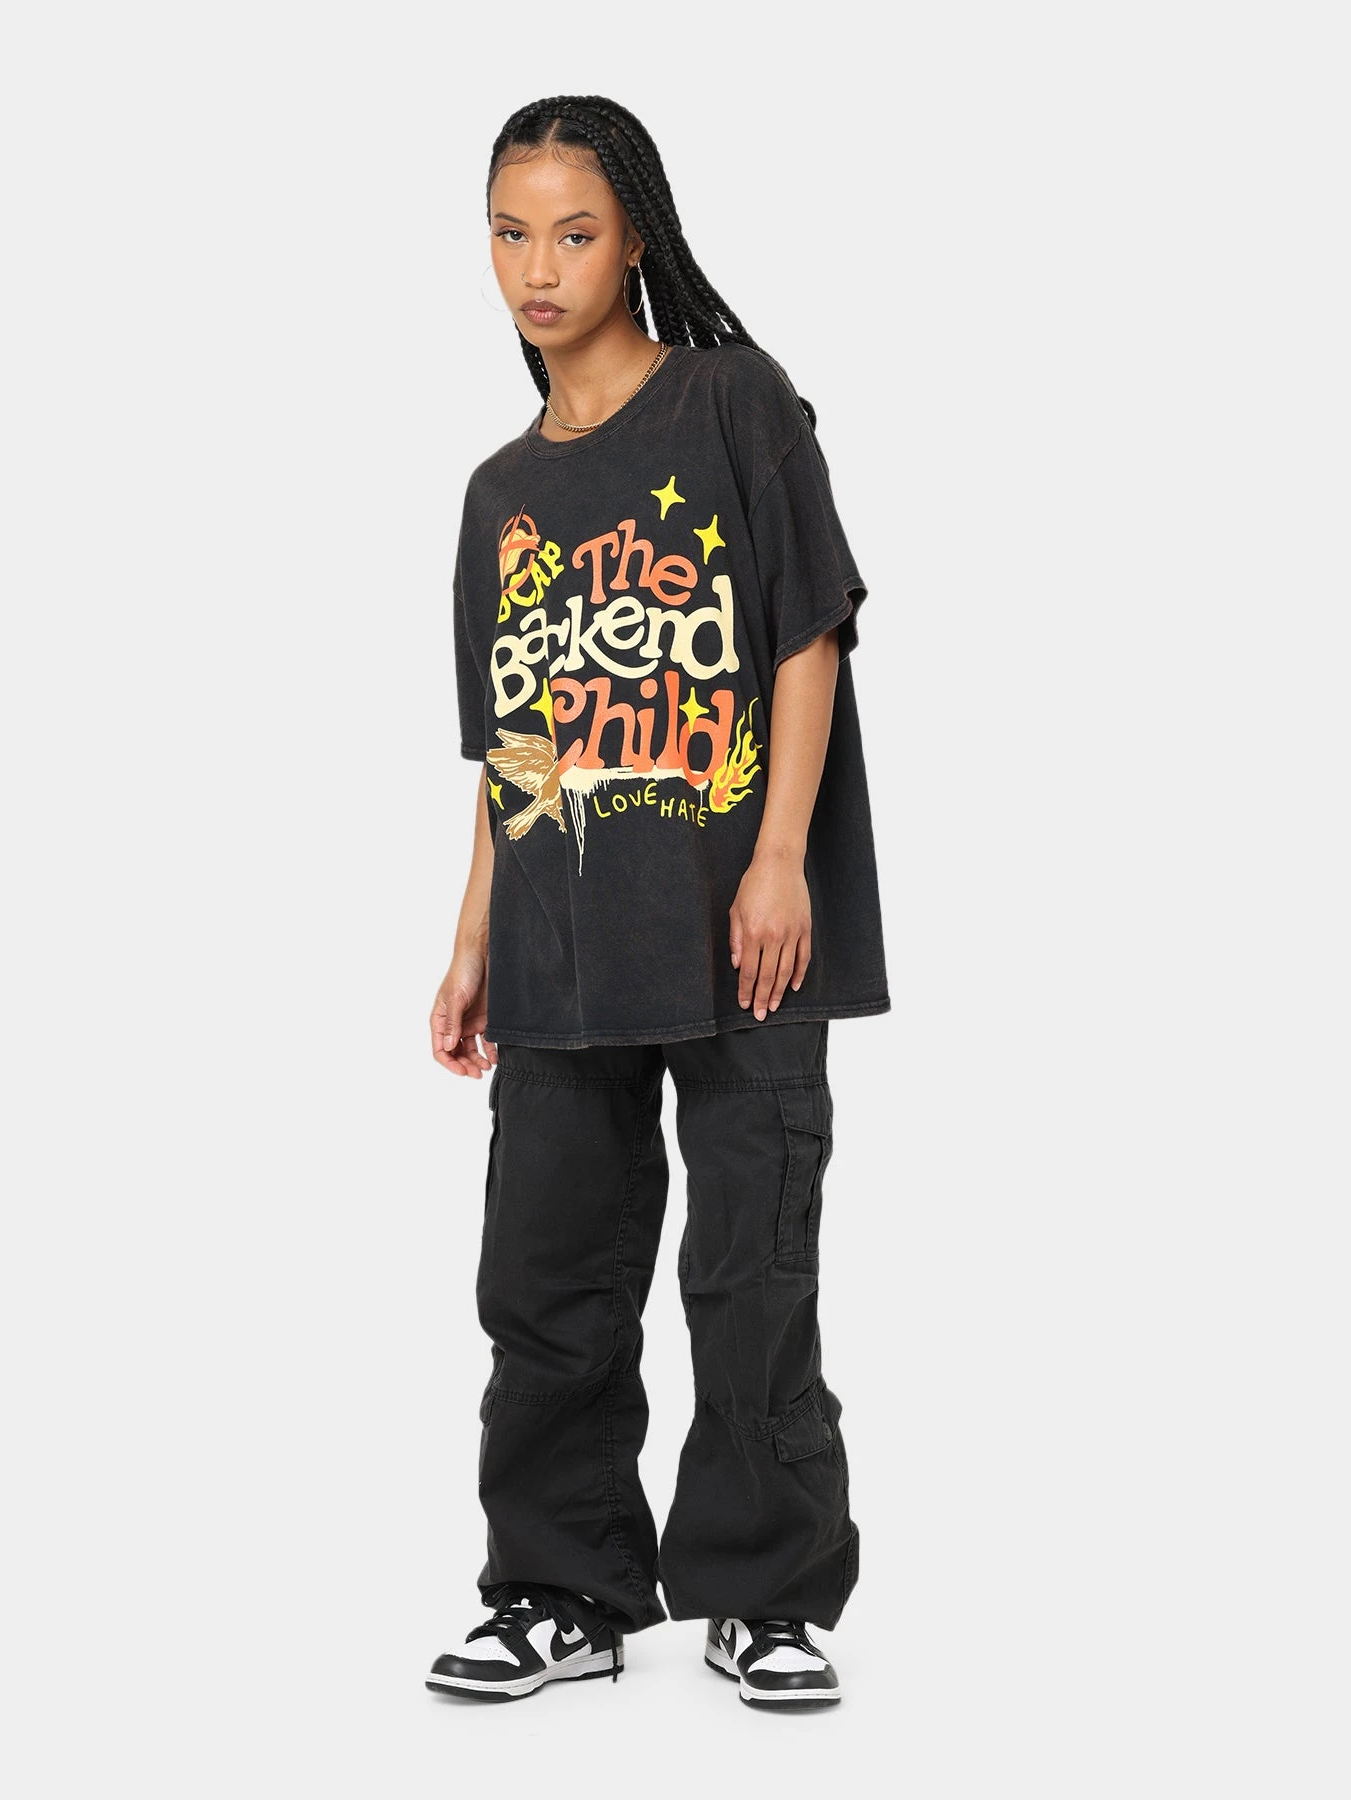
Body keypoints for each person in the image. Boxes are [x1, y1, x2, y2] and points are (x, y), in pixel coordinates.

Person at [426, 95, 890, 1710]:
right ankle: (560, 1591)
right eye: (510, 232)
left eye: (574, 232)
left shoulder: (729, 401)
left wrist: (778, 857)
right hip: (559, 946)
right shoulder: (499, 492)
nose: (537, 268)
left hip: (742, 933)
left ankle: (765, 1597)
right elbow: (515, 741)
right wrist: (471, 938)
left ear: (635, 241)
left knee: (750, 1274)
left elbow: (804, 631)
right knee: (545, 1282)